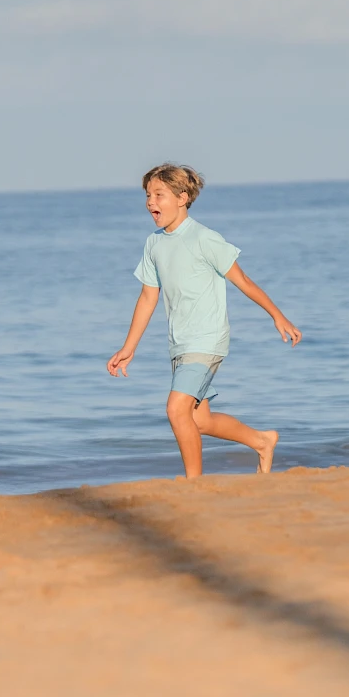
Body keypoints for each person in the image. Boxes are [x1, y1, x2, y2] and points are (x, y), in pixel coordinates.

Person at [107, 164, 301, 477]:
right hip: (179, 343)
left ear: (182, 197)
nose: (150, 202)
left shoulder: (204, 238)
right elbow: (147, 298)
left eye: (159, 195)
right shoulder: (153, 244)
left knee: (175, 410)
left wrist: (277, 316)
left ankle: (193, 485)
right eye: (147, 196)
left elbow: (244, 280)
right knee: (199, 420)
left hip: (207, 339)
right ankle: (262, 441)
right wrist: (129, 347)